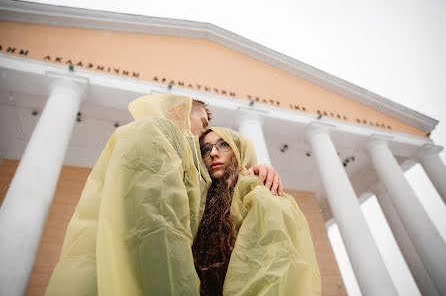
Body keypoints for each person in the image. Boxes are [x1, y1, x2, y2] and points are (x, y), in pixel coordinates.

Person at [45, 94, 283, 296]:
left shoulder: (186, 160)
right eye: (201, 122)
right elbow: (156, 226)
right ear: (180, 110)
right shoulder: (159, 131)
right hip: (133, 276)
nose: (203, 134)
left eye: (222, 145)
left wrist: (250, 172)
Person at [193, 127, 321, 296]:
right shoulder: (201, 201)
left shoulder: (259, 193)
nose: (214, 153)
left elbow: (273, 267)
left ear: (239, 151)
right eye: (206, 149)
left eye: (224, 144)